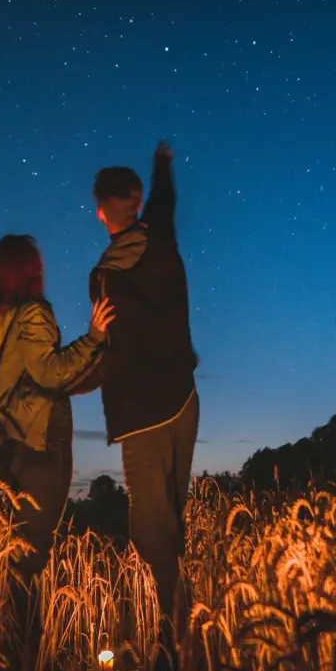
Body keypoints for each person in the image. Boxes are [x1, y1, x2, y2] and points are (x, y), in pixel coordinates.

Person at [0, 234, 115, 659]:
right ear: (31, 271)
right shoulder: (34, 312)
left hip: (5, 446)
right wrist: (94, 337)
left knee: (16, 549)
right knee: (31, 555)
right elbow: (49, 373)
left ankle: (9, 652)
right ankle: (26, 664)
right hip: (43, 441)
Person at [87, 141, 199, 639]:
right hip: (183, 400)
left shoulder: (104, 277)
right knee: (172, 521)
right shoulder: (161, 235)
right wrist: (162, 164)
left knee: (152, 531)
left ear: (99, 212)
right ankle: (194, 627)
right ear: (134, 198)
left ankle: (175, 641)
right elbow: (165, 198)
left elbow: (109, 351)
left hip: (141, 415)